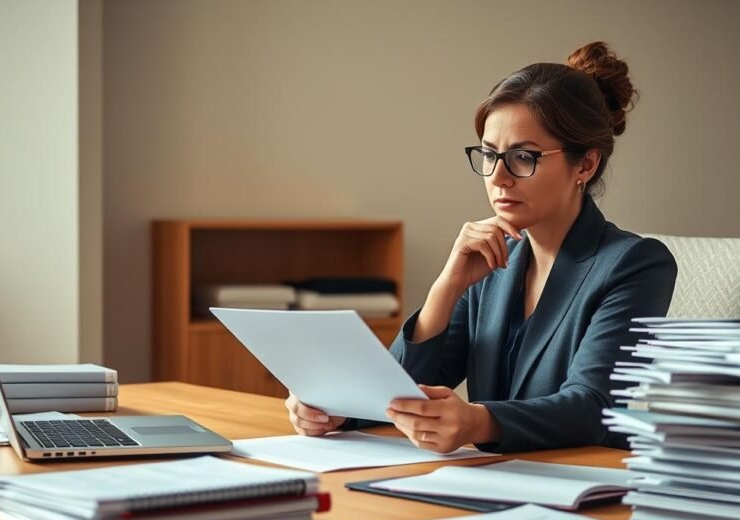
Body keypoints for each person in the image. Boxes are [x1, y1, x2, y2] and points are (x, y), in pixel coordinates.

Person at [284, 41, 677, 453]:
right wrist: (336, 406)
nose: (499, 177)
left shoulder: (634, 264)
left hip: (581, 482)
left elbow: (594, 406)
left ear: (585, 164)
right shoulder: (493, 261)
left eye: (524, 156)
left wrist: (477, 421)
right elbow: (406, 389)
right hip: (490, 480)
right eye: (489, 155)